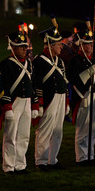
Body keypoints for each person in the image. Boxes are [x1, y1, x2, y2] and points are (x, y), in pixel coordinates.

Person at [32, 17, 69, 171]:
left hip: (60, 97)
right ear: (51, 45)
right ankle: (41, 161)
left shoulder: (60, 62)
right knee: (45, 130)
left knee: (57, 130)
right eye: (59, 45)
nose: (62, 47)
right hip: (49, 99)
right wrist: (39, 103)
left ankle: (52, 159)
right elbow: (37, 83)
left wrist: (66, 102)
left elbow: (65, 82)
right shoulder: (39, 61)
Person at [0, 31, 38, 174]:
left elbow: (32, 84)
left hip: (26, 101)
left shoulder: (29, 63)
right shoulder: (6, 64)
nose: (24, 49)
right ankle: (9, 166)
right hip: (14, 102)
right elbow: (4, 86)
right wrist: (7, 106)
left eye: (25, 47)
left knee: (24, 134)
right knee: (10, 135)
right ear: (13, 48)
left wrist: (34, 103)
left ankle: (20, 164)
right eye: (21, 47)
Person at [67, 23, 95, 165]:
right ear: (81, 44)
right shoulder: (76, 60)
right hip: (83, 96)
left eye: (91, 43)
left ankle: (90, 155)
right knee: (83, 129)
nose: (90, 46)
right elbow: (74, 80)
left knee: (93, 128)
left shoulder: (93, 59)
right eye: (87, 43)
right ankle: (81, 157)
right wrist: (88, 72)